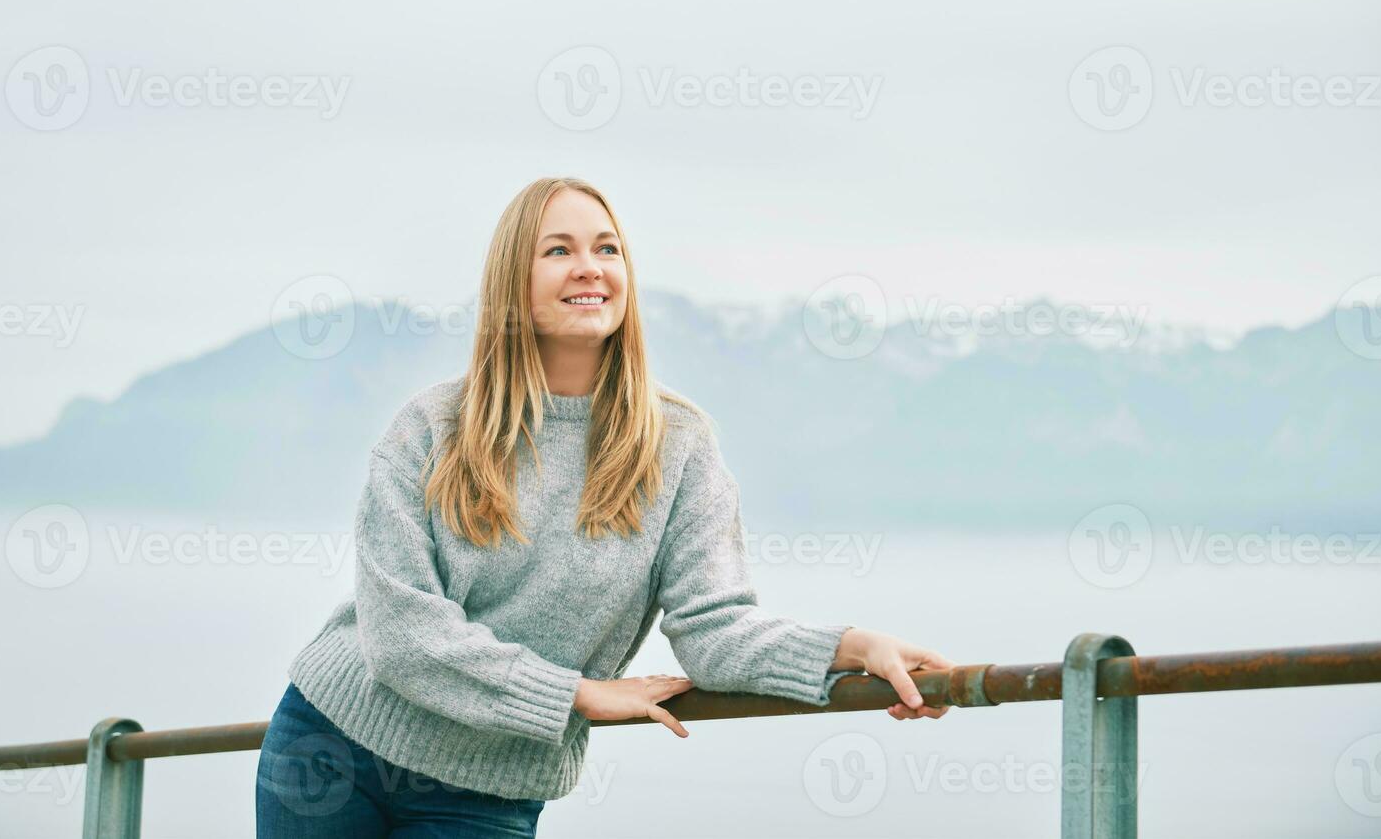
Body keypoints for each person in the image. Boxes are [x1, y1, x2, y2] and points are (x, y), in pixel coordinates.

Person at [255, 176, 954, 837]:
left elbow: (714, 627)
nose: (589, 267)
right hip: (332, 747)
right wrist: (577, 695)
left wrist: (851, 648)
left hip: (488, 785)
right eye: (558, 250)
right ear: (512, 282)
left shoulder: (677, 445)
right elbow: (401, 632)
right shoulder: (430, 427)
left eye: (607, 248)